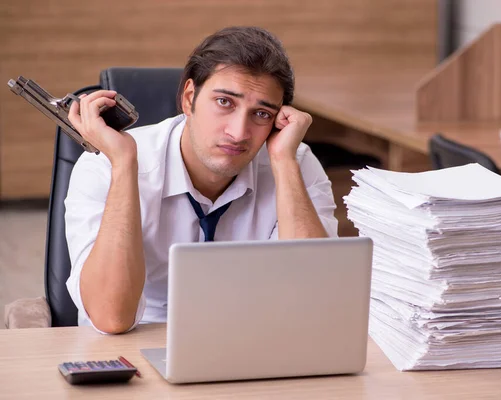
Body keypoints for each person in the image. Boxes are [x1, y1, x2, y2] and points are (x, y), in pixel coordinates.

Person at [64, 26, 338, 334]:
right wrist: (125, 164)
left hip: (248, 341)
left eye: (261, 114)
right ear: (189, 98)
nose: (238, 132)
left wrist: (284, 162)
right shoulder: (105, 164)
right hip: (136, 343)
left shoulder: (294, 160)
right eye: (224, 102)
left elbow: (313, 301)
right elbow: (111, 317)